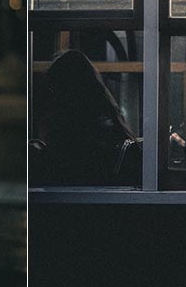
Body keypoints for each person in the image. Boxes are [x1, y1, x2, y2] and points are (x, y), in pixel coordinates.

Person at [30, 49, 140, 186]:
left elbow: (65, 179)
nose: (51, 99)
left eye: (54, 89)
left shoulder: (74, 138)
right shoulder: (109, 129)